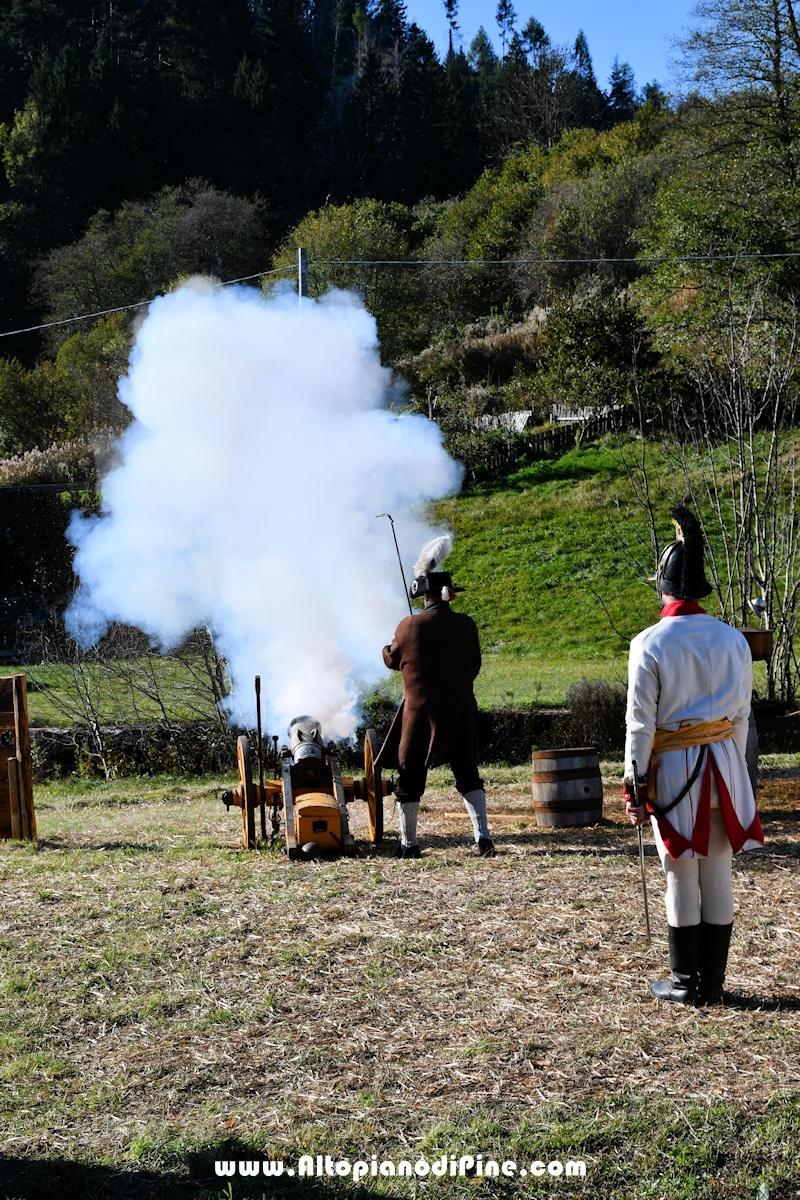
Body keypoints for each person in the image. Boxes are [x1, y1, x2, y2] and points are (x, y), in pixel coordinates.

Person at [623, 506, 763, 1005]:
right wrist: (741, 777)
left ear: (663, 586)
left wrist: (634, 786)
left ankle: (686, 984)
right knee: (718, 872)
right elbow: (742, 719)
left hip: (676, 772)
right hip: (725, 768)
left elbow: (640, 727)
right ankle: (715, 984)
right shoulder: (734, 640)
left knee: (680, 871)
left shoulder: (648, 644)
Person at [375, 535, 495, 859]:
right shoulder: (467, 625)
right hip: (460, 709)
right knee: (468, 773)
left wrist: (392, 642)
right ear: (448, 595)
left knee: (410, 775)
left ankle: (409, 844)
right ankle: (483, 840)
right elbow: (475, 666)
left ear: (423, 595)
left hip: (420, 712)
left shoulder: (408, 626)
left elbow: (390, 660)